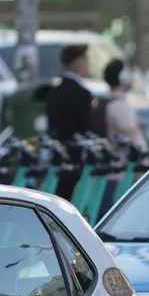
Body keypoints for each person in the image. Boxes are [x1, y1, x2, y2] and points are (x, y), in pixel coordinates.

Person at [46, 44, 95, 201]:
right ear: (79, 64)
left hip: (57, 157)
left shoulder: (54, 91)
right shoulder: (82, 93)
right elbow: (87, 127)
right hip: (77, 158)